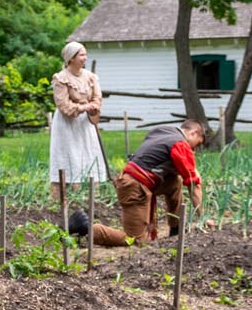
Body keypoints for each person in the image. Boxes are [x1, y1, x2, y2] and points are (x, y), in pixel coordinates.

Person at [71, 119, 206, 247]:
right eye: (197, 144)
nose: (194, 150)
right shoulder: (180, 144)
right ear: (193, 133)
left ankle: (175, 231)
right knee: (135, 240)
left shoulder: (163, 130)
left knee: (174, 182)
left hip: (139, 179)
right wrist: (202, 218)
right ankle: (86, 228)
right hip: (135, 187)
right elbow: (194, 185)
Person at [49, 41, 108, 199]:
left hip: (85, 123)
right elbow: (63, 105)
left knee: (88, 153)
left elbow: (97, 97)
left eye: (85, 54)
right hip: (67, 124)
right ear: (71, 58)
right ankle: (62, 195)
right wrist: (83, 108)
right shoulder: (61, 78)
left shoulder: (90, 77)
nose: (85, 58)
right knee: (68, 155)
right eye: (81, 55)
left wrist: (93, 107)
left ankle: (89, 196)